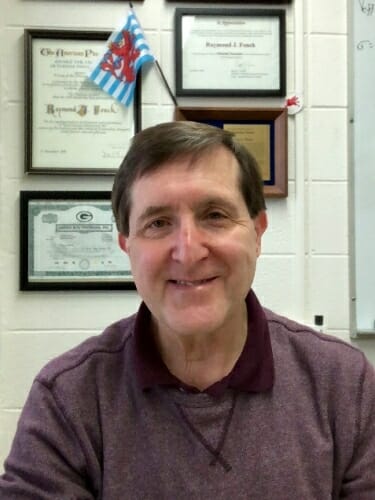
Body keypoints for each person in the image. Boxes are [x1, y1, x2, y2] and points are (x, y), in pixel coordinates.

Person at [0, 121, 374, 499]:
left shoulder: (343, 386)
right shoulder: (68, 398)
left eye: (215, 215)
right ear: (127, 245)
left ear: (257, 232)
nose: (188, 250)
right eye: (159, 223)